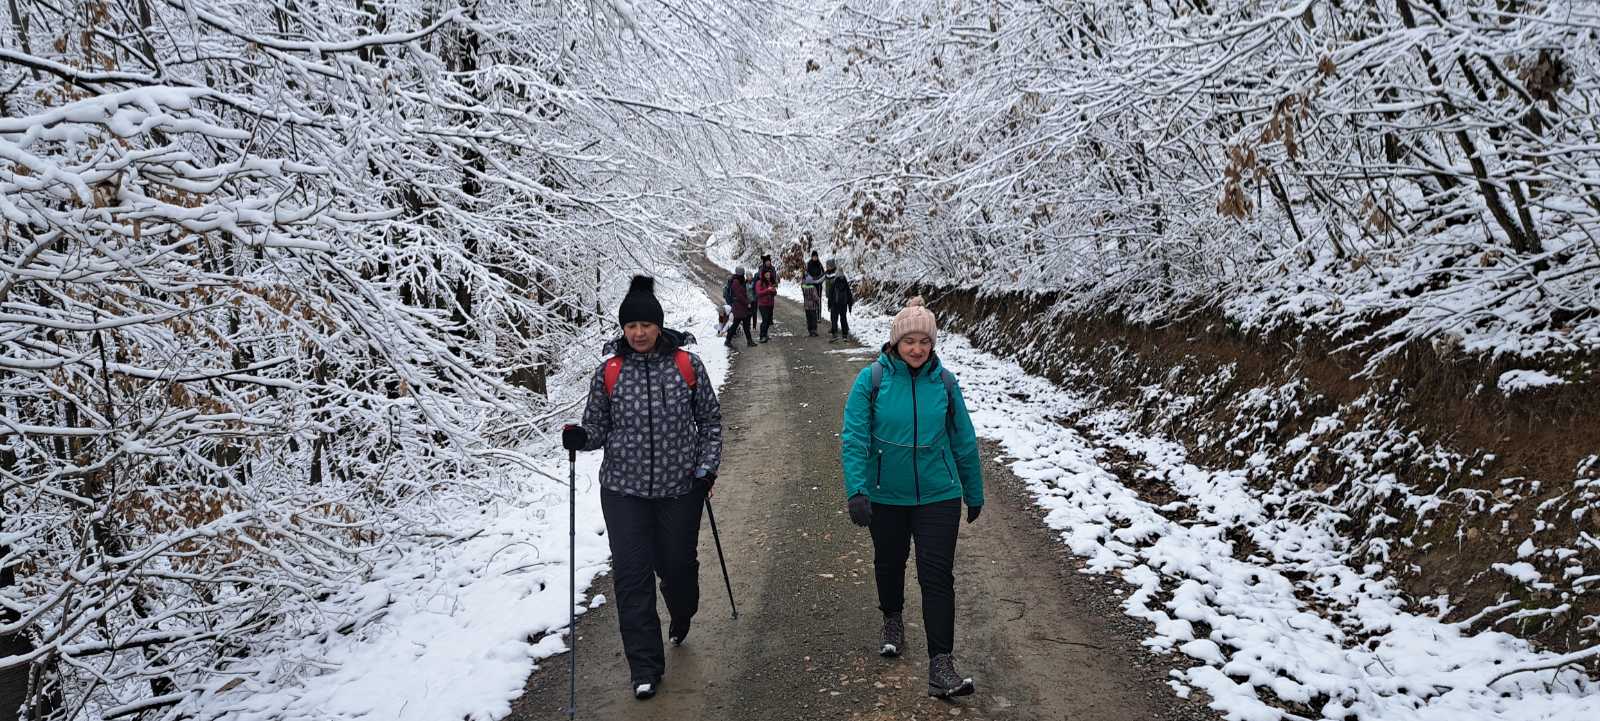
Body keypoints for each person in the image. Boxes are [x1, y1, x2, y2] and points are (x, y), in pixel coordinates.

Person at [561, 275, 723, 700]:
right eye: (630, 326)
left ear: (658, 325)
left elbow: (710, 422)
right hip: (623, 492)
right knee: (632, 578)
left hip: (680, 489)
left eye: (645, 325)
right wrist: (581, 437)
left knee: (678, 569)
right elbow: (597, 426)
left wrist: (705, 470)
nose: (638, 333)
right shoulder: (610, 372)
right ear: (623, 328)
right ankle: (645, 667)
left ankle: (682, 611)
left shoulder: (687, 366)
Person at [839, 297, 983, 699]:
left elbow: (964, 440)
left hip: (938, 494)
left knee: (937, 575)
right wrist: (857, 489)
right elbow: (854, 438)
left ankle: (941, 664)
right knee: (889, 561)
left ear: (932, 344)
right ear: (895, 343)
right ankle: (892, 618)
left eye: (924, 341)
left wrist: (973, 490)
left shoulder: (945, 383)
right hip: (886, 494)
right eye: (909, 341)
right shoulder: (872, 381)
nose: (917, 349)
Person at [724, 267, 755, 347]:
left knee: (745, 325)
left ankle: (749, 341)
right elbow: (739, 295)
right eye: (743, 272)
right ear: (740, 273)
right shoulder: (736, 282)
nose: (743, 274)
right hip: (738, 307)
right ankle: (727, 340)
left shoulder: (740, 280)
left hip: (742, 308)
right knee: (735, 325)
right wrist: (747, 302)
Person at [824, 259, 853, 342]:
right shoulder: (845, 282)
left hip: (835, 304)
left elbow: (831, 295)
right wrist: (849, 305)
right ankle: (845, 335)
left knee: (834, 319)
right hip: (843, 304)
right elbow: (849, 294)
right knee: (843, 318)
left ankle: (835, 335)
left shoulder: (834, 282)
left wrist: (829, 305)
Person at [754, 267, 778, 343]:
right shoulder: (759, 282)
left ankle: (765, 334)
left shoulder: (770, 282)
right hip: (763, 304)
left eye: (769, 275)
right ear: (763, 275)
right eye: (767, 275)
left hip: (770, 304)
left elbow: (774, 293)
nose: (768, 276)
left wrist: (773, 291)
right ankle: (762, 336)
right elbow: (758, 293)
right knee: (765, 320)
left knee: (768, 321)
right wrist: (768, 290)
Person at [801, 263, 824, 337]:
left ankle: (810, 330)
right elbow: (815, 297)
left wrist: (804, 277)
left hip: (807, 306)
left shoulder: (804, 288)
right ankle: (814, 330)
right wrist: (818, 301)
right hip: (813, 306)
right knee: (814, 318)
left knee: (809, 319)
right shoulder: (813, 288)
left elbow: (802, 284)